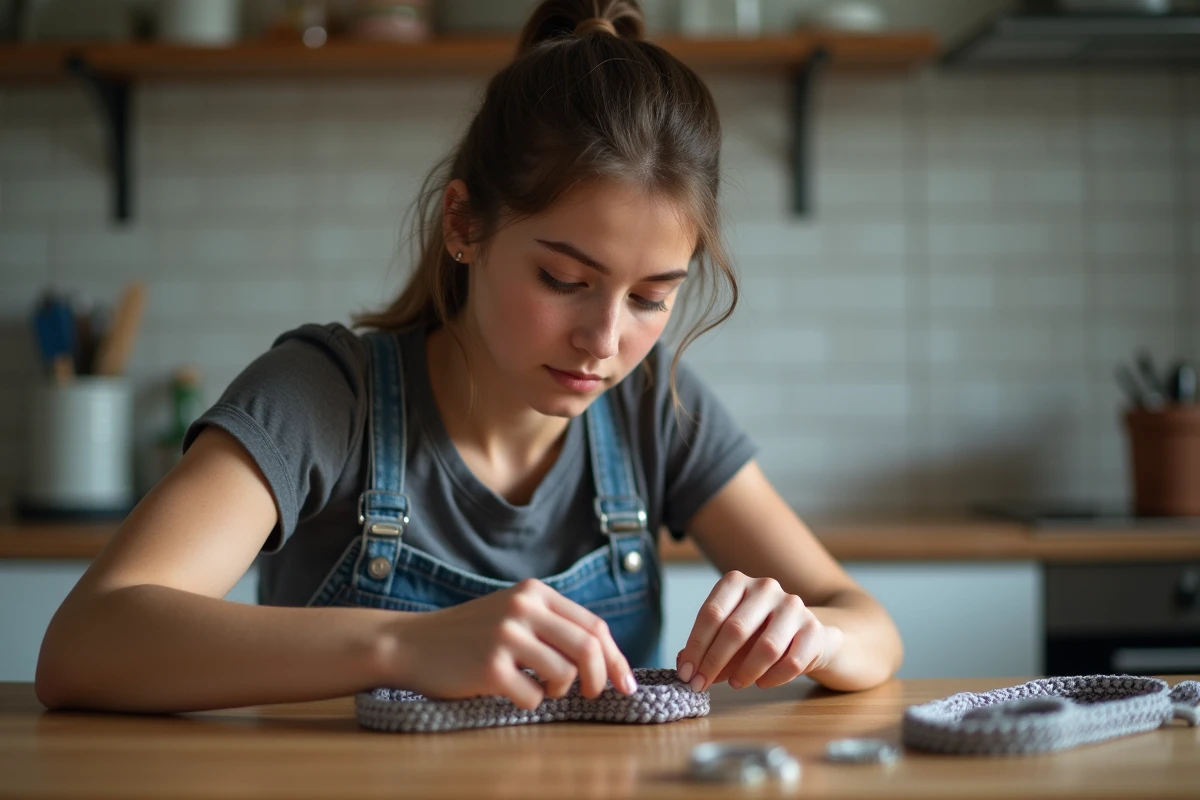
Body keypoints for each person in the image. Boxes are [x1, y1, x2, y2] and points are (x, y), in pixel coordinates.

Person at [35, 0, 902, 714]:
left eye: (650, 297)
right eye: (564, 279)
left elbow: (867, 623)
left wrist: (812, 635)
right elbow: (86, 643)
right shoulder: (324, 397)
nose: (605, 342)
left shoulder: (656, 410)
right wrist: (402, 644)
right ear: (464, 224)